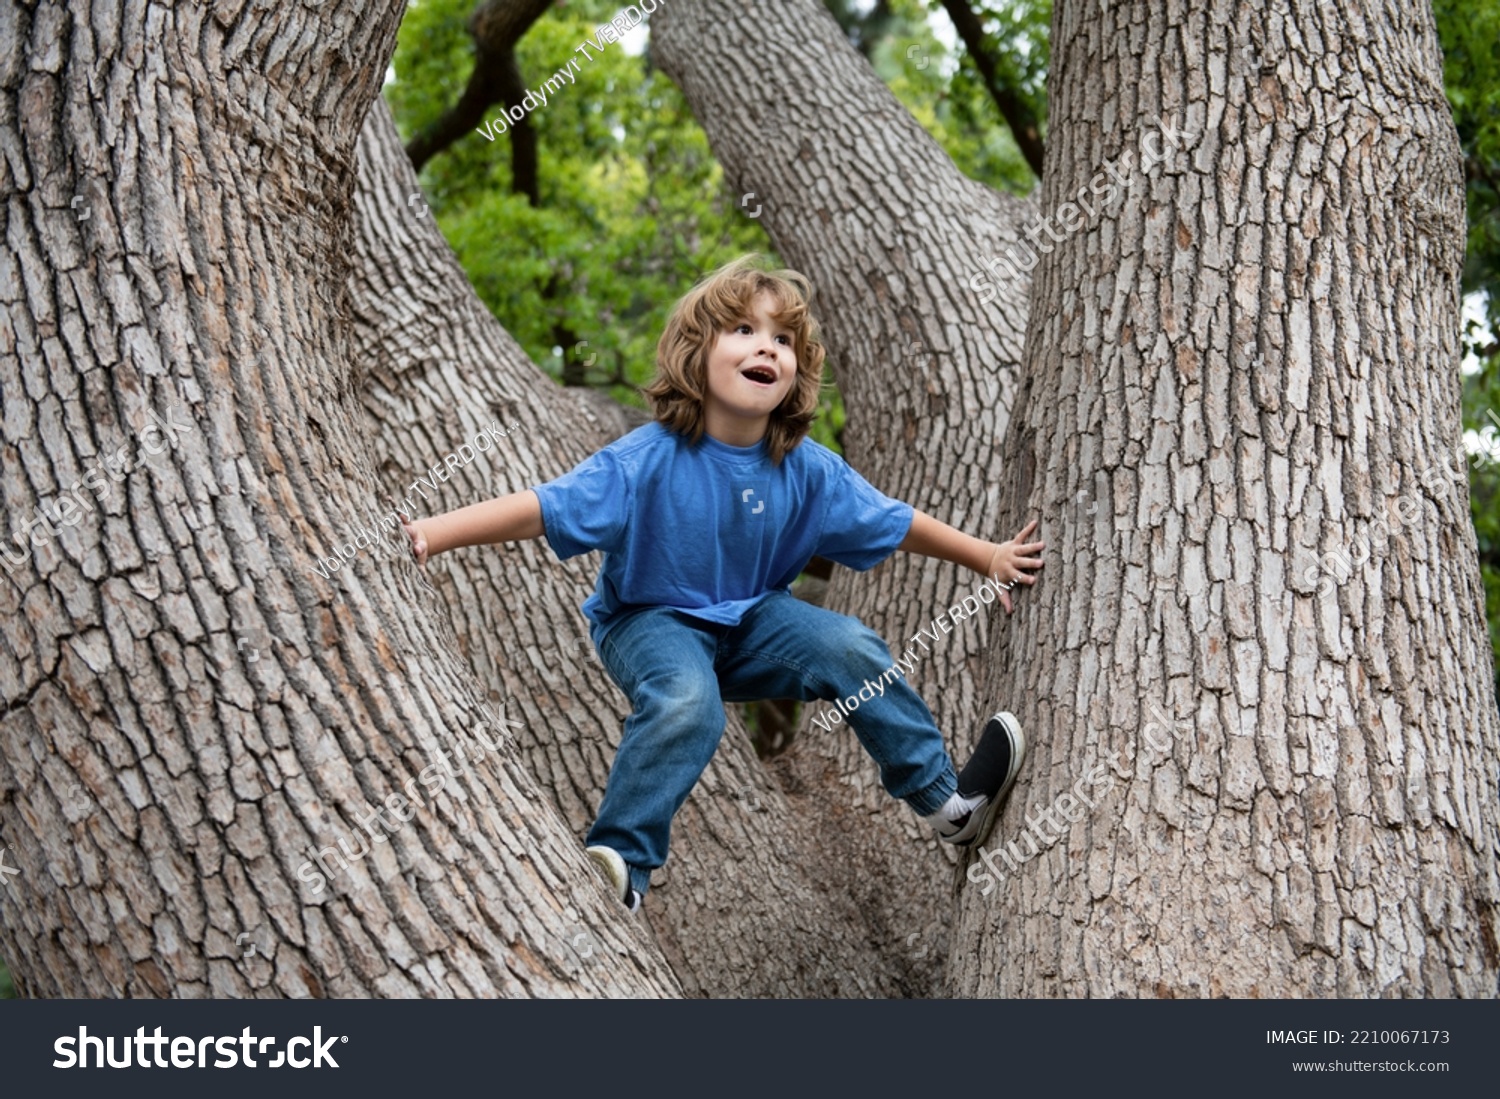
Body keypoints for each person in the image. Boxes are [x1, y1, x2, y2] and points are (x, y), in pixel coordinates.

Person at [401, 256, 1045, 912]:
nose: (767, 344)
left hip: (756, 622)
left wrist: (986, 556)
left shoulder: (807, 470)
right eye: (742, 329)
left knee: (852, 647)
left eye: (783, 339)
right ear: (696, 353)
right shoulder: (646, 459)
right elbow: (543, 506)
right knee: (689, 702)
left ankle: (947, 805)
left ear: (794, 371)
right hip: (651, 622)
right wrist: (435, 531)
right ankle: (622, 860)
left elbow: (897, 521)